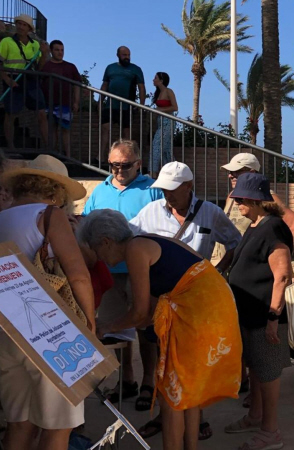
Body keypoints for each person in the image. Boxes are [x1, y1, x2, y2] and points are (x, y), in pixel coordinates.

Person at [79, 210, 242, 450]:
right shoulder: (149, 240)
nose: (100, 258)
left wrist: (105, 327)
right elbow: (152, 307)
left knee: (171, 396)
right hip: (214, 309)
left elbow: (139, 313)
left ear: (106, 242)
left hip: (200, 314)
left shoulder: (135, 250)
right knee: (188, 391)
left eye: (97, 250)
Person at [130, 161, 242, 440]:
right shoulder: (150, 212)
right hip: (161, 301)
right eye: (164, 189)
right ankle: (167, 416)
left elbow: (234, 242)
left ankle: (195, 417)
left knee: (193, 363)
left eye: (172, 188)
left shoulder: (211, 212)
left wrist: (218, 271)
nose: (167, 194)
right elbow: (129, 240)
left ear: (188, 186)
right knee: (164, 361)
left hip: (195, 304)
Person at [0, 155, 93, 450]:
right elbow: (79, 276)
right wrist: (90, 323)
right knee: (59, 427)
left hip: (5, 330)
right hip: (47, 330)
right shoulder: (49, 215)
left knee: (19, 424)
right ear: (56, 191)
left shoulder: (2, 217)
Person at [82, 139, 163, 409]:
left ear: (138, 164)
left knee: (145, 324)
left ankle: (148, 380)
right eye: (113, 165)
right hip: (108, 270)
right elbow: (87, 223)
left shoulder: (153, 188)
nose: (118, 170)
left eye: (125, 165)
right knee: (117, 326)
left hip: (141, 268)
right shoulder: (100, 190)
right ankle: (126, 378)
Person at [223, 173, 292, 450]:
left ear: (255, 200)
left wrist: (273, 317)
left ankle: (270, 430)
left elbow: (282, 275)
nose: (237, 202)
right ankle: (255, 416)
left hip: (265, 315)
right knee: (256, 368)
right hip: (250, 314)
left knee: (268, 372)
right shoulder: (256, 225)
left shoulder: (273, 227)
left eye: (241, 198)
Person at [0, 14, 49, 150]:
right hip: (13, 78)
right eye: (19, 24)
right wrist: (7, 79)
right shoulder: (6, 42)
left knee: (41, 113)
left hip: (31, 80)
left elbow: (39, 68)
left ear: (29, 29)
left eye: (24, 25)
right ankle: (11, 146)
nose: (21, 27)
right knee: (11, 114)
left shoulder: (35, 45)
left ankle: (48, 148)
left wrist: (44, 54)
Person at [99, 46, 146, 162]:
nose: (127, 57)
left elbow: (141, 88)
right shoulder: (110, 68)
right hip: (111, 104)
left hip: (127, 106)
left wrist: (141, 105)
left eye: (128, 55)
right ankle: (100, 156)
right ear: (118, 55)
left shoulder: (136, 69)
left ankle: (127, 159)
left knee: (126, 133)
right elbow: (104, 85)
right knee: (105, 128)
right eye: (124, 55)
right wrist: (100, 101)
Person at [39, 39, 81, 156]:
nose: (60, 52)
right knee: (52, 129)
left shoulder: (70, 67)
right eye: (57, 50)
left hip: (65, 103)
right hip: (49, 103)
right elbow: (39, 79)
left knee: (65, 129)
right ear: (51, 51)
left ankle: (68, 155)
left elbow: (77, 85)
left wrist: (76, 101)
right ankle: (53, 153)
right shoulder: (46, 65)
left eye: (62, 50)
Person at [150, 72, 178, 176]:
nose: (153, 80)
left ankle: (152, 173)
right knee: (166, 150)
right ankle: (173, 174)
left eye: (155, 78)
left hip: (168, 122)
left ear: (161, 80)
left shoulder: (168, 91)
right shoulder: (158, 93)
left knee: (156, 146)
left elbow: (175, 107)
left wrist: (160, 110)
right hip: (160, 122)